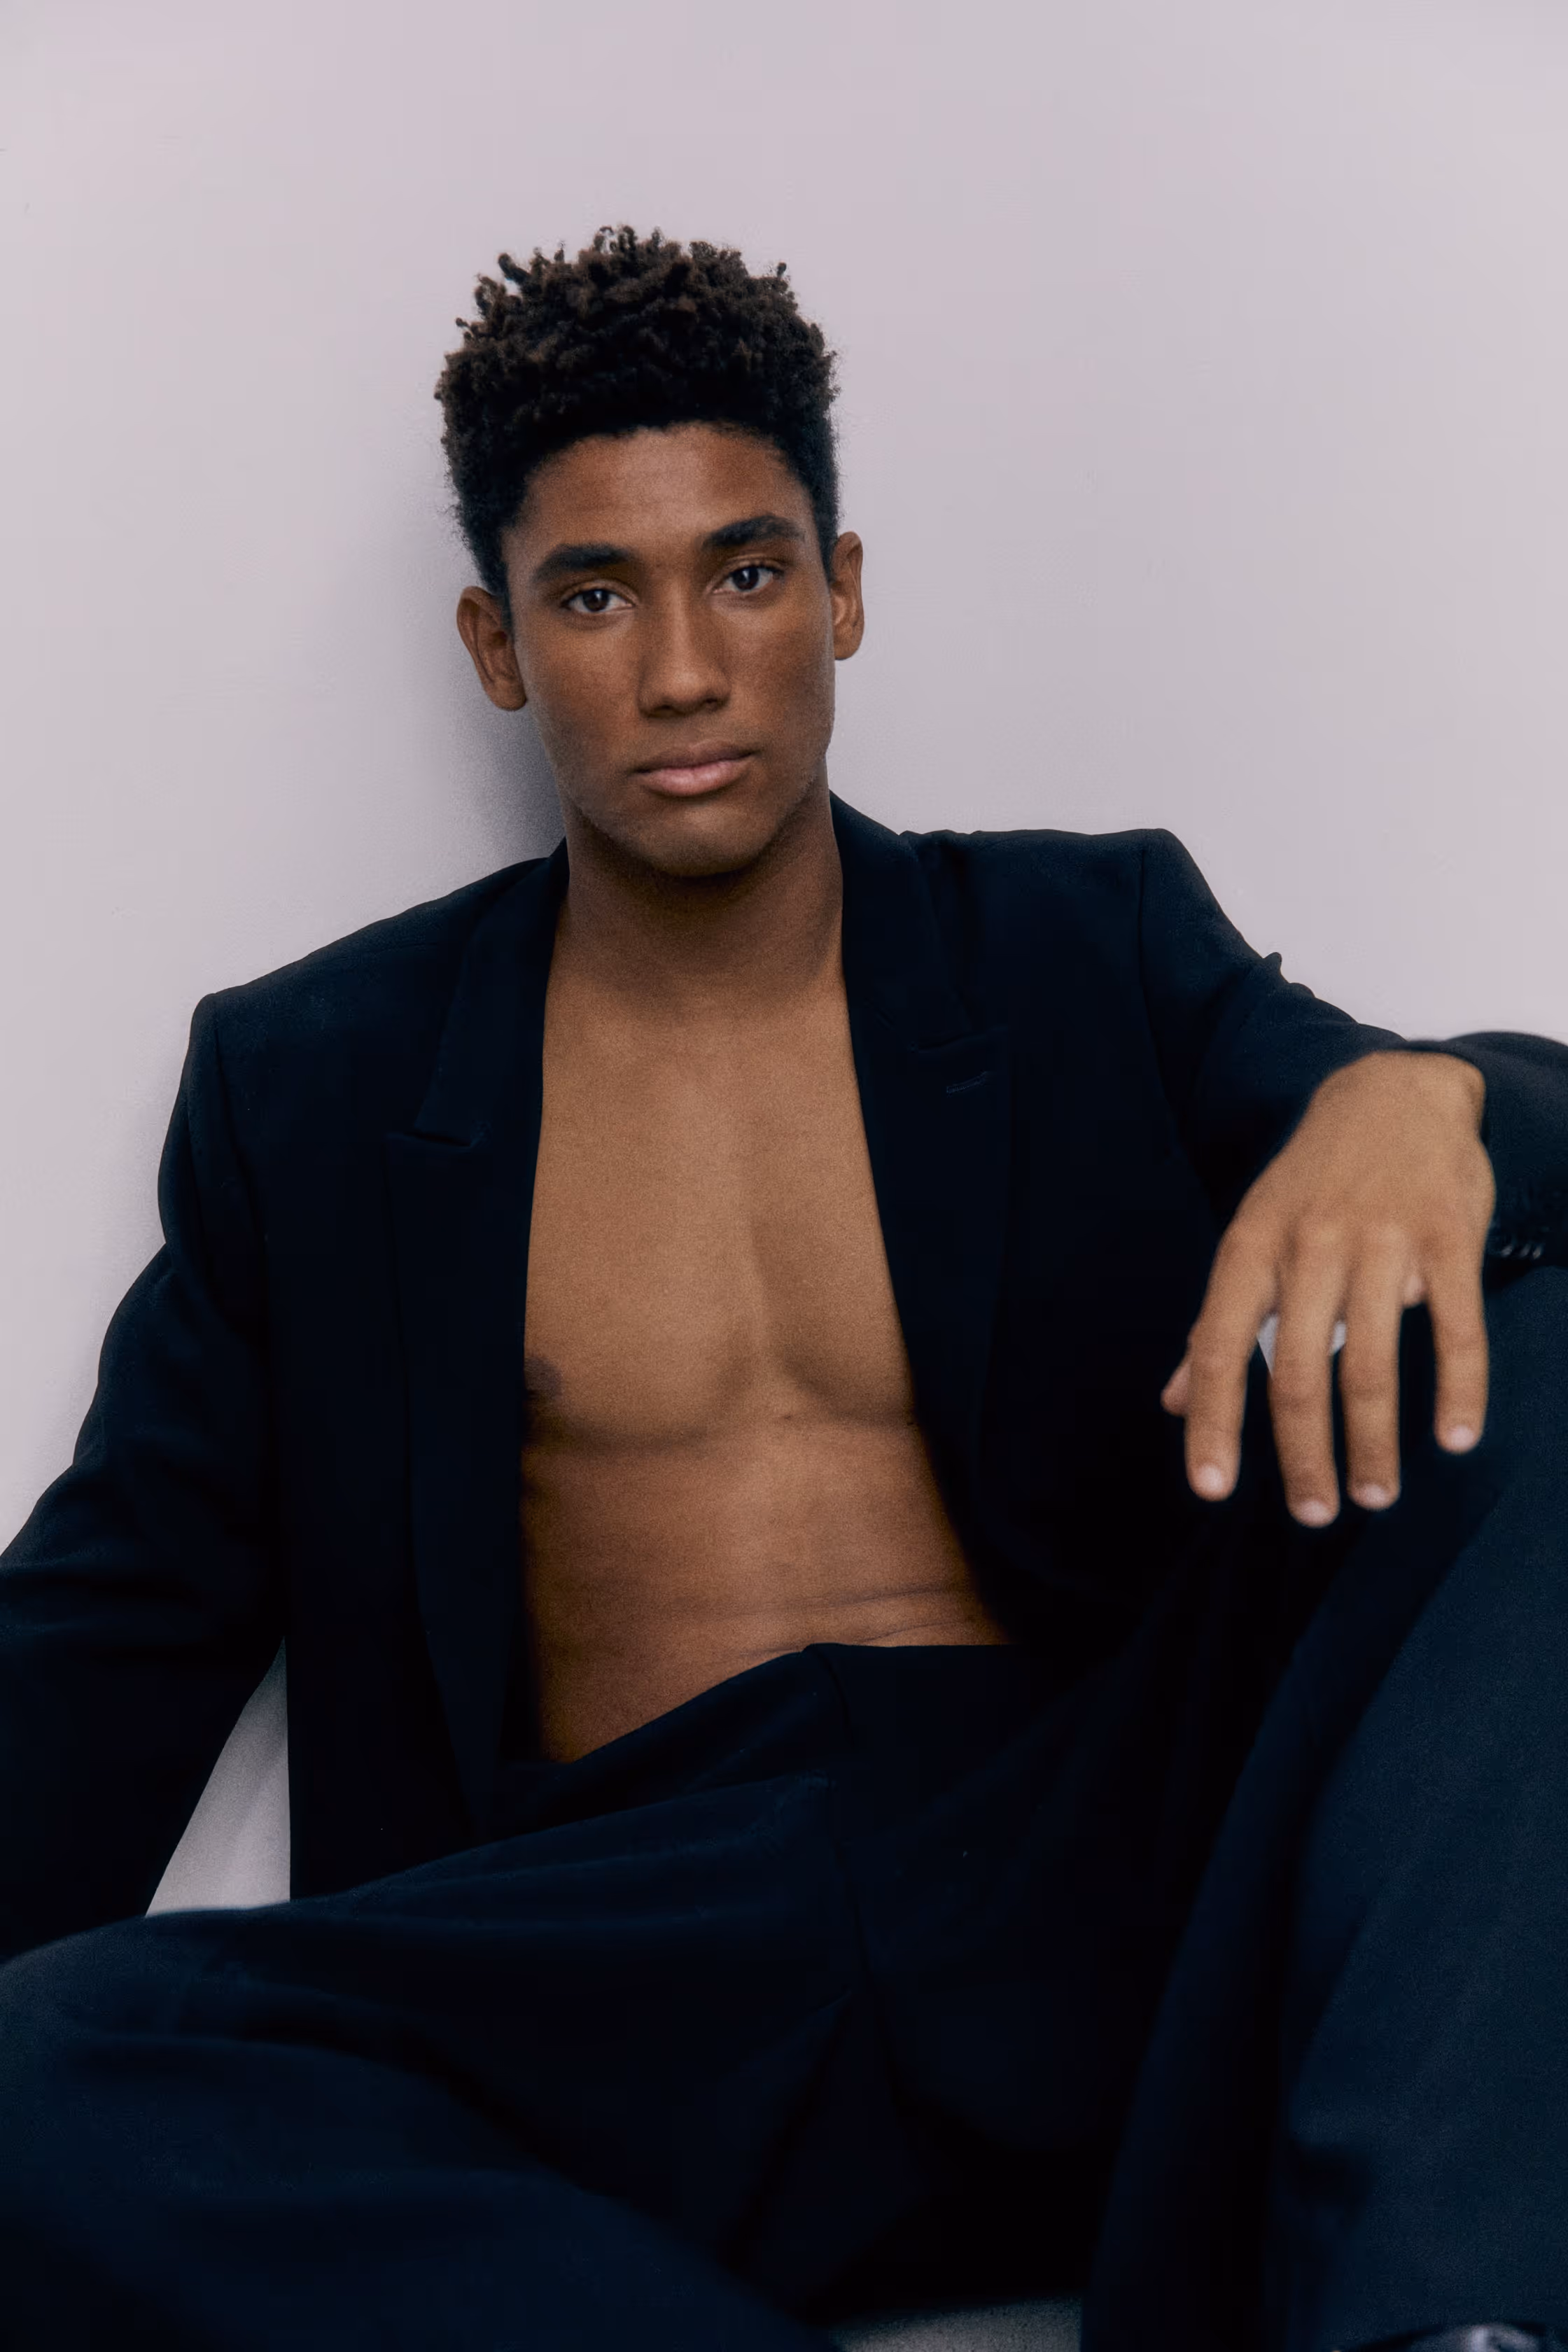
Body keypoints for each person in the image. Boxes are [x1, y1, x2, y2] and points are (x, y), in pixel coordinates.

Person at [1, 225, 1567, 2352]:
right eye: (593, 596)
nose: (680, 672)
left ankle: (1448, 2327)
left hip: (1103, 1857)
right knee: (38, 2075)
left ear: (838, 591)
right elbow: (107, 1626)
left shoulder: (1087, 945)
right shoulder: (319, 1082)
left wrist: (1431, 1092)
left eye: (742, 573)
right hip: (638, 1958)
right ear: (494, 644)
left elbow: (1471, 1170)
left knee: (1543, 1326)